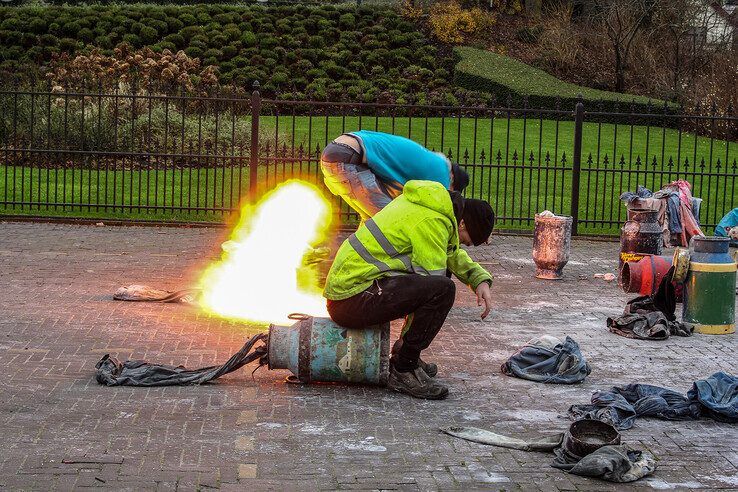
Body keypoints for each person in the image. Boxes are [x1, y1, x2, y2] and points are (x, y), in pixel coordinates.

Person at [323, 179, 495, 400]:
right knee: (442, 290)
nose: (463, 245)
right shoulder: (432, 220)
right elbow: (432, 284)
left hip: (356, 290)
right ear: (462, 224)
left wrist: (479, 278)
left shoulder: (433, 206)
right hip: (351, 300)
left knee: (438, 286)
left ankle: (405, 354)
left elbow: (449, 252)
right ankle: (403, 368)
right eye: (467, 241)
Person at [320, 130, 470, 221]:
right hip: (347, 158)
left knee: (371, 221)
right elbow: (442, 211)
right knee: (389, 222)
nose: (448, 191)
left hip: (341, 152)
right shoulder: (442, 173)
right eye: (451, 189)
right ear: (452, 179)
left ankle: (358, 263)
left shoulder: (434, 161)